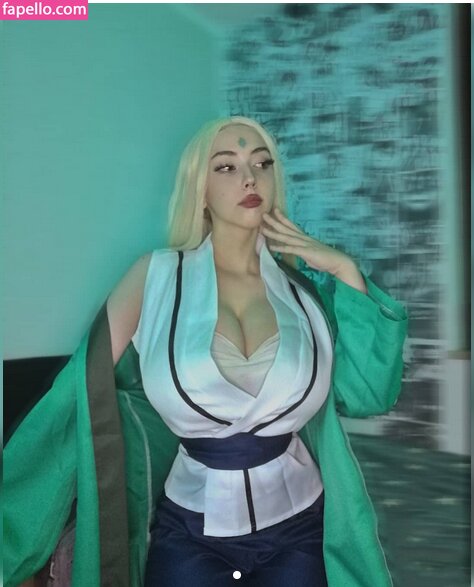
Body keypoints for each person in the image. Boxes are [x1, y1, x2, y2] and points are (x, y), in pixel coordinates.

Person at [5, 116, 407, 587]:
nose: (250, 178)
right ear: (200, 189)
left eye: (262, 163)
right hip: (190, 531)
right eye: (226, 167)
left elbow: (368, 396)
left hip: (301, 526)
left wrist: (344, 270)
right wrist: (15, 530)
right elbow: (73, 398)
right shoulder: (153, 278)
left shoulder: (305, 294)